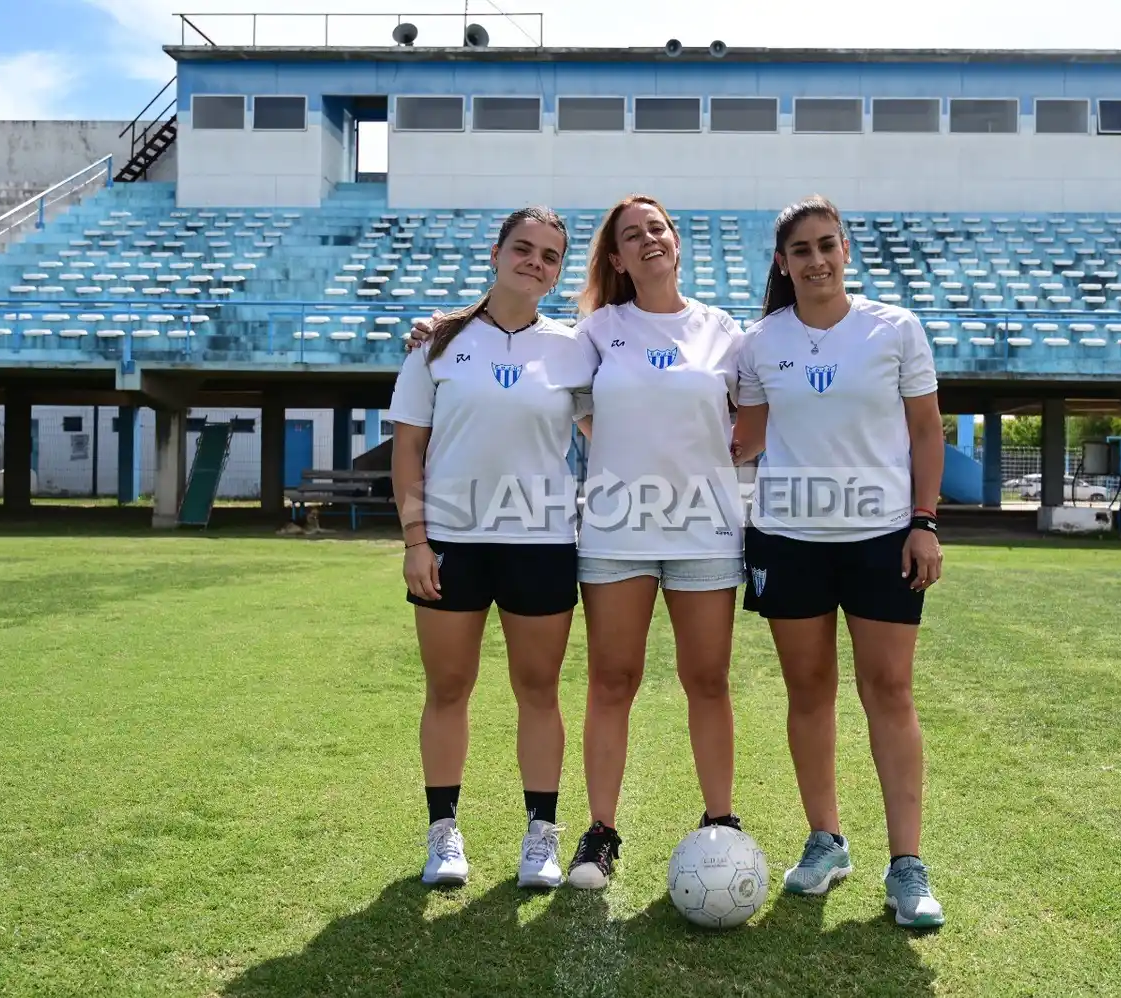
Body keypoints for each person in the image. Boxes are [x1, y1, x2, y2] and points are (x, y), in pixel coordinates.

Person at [730, 195, 947, 929]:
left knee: (889, 692)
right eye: (801, 250)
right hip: (787, 540)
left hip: (883, 537)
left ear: (845, 249)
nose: (816, 260)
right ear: (783, 263)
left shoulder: (895, 328)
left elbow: (925, 432)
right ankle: (826, 841)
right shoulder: (761, 342)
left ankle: (907, 865)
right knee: (809, 692)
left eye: (828, 245)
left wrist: (924, 523)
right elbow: (745, 439)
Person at [387, 206, 595, 890]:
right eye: (524, 249)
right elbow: (409, 448)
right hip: (451, 540)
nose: (535, 263)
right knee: (449, 689)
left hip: (540, 541)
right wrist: (416, 540)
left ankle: (541, 838)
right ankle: (443, 835)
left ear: (559, 271)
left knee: (539, 691)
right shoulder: (438, 342)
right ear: (497, 252)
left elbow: (609, 427)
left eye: (550, 256)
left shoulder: (572, 348)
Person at [563, 194, 748, 889]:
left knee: (707, 680)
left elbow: (753, 418)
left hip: (705, 529)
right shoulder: (596, 330)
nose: (648, 241)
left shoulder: (723, 330)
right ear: (615, 258)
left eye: (658, 229)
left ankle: (721, 821)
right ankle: (601, 832)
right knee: (613, 681)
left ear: (676, 241)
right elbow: (578, 410)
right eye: (631, 236)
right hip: (616, 530)